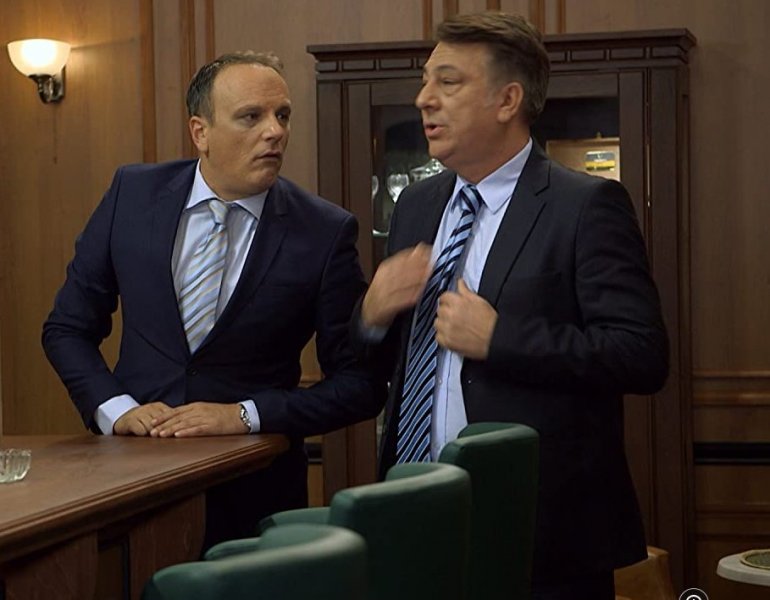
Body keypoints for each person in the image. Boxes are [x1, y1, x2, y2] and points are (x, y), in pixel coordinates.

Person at [353, 12, 669, 600]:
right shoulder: (416, 206)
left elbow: (641, 354)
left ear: (508, 100)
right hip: (413, 511)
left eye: (448, 82)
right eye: (425, 82)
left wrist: (501, 340)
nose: (424, 99)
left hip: (539, 533)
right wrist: (371, 314)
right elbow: (376, 364)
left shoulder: (585, 206)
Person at [43, 51, 384, 550]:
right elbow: (67, 328)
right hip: (128, 491)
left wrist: (244, 415)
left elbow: (359, 386)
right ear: (200, 132)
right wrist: (116, 410)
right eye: (251, 116)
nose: (275, 131)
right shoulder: (131, 195)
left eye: (282, 115)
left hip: (254, 503)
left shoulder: (324, 231)